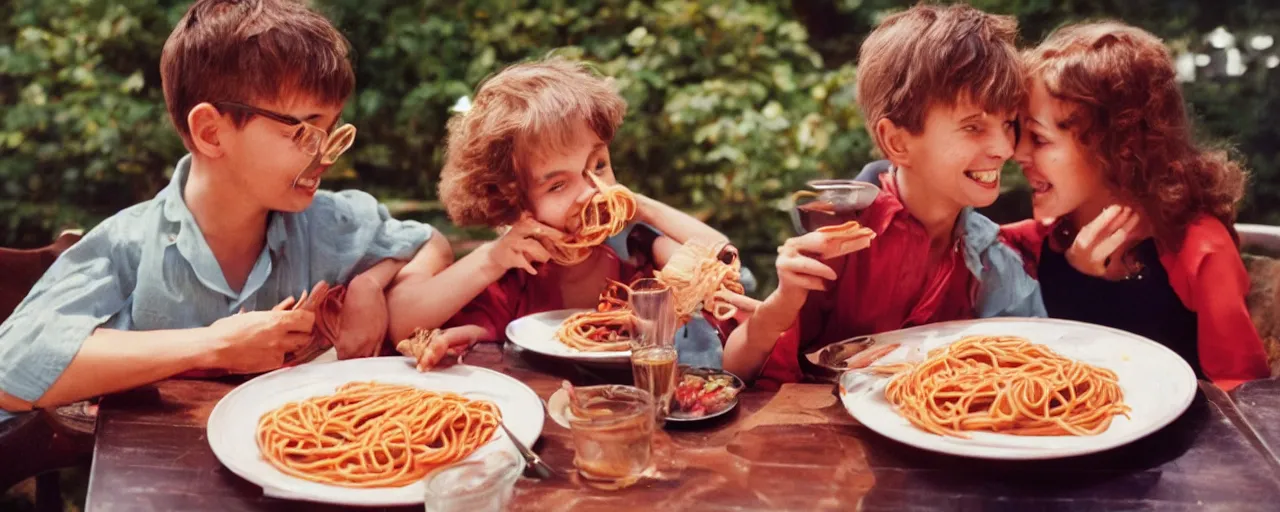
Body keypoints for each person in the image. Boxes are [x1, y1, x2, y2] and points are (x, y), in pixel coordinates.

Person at [0, 0, 452, 421]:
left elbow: (432, 243)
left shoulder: (326, 221)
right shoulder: (129, 244)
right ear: (211, 133)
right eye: (305, 133)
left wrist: (371, 286)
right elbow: (11, 372)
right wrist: (217, 345)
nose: (327, 156)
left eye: (332, 131)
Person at [724, 4, 1044, 388]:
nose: (1004, 148)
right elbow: (733, 373)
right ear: (897, 142)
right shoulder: (840, 236)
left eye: (1007, 123)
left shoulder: (993, 255)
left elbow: (1031, 369)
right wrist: (781, 304)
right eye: (973, 126)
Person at [397, 57, 747, 369]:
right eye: (557, 186)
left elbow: (724, 257)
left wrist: (638, 205)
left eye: (598, 164)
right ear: (513, 200)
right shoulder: (517, 272)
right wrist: (487, 271)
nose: (591, 192)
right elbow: (404, 323)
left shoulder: (638, 248)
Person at [1002, 21, 1269, 389]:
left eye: (1038, 138)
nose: (1016, 153)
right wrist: (1076, 277)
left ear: (1119, 146)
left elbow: (1241, 390)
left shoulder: (1199, 250)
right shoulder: (1030, 245)